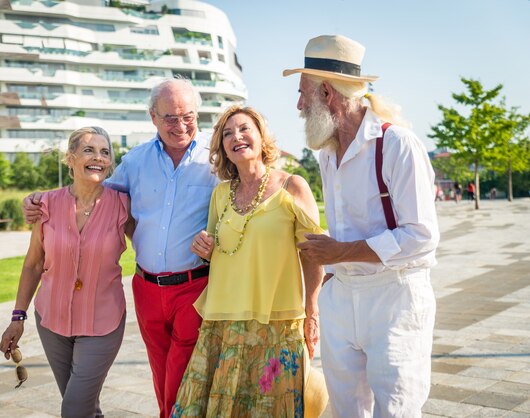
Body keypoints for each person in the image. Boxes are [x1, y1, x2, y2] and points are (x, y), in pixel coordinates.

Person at [22, 78, 218, 418]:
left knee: (182, 371)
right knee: (160, 371)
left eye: (188, 115)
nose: (180, 125)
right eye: (169, 117)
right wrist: (40, 201)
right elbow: (91, 190)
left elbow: (240, 205)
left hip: (195, 284)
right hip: (147, 288)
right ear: (153, 117)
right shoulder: (136, 161)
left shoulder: (215, 160)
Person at [284, 35, 439, 417]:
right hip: (341, 298)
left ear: (327, 92)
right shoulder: (327, 153)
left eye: (303, 93)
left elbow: (421, 237)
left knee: (396, 409)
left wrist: (339, 252)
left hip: (394, 299)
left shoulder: (398, 145)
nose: (299, 104)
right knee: (346, 410)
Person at [171, 106, 324, 417]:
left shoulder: (292, 186)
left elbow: (314, 253)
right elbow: (213, 250)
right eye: (227, 134)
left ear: (261, 137)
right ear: (222, 147)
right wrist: (203, 246)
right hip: (222, 323)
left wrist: (312, 309)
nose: (236, 137)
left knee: (270, 409)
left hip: (277, 322)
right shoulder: (220, 194)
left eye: (244, 129)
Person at [0, 127, 130, 417]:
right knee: (84, 407)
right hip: (52, 322)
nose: (98, 157)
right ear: (69, 159)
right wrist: (17, 317)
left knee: (73, 409)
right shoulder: (45, 204)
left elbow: (153, 244)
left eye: (105, 152)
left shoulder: (122, 205)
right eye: (88, 150)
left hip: (103, 323)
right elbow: (33, 263)